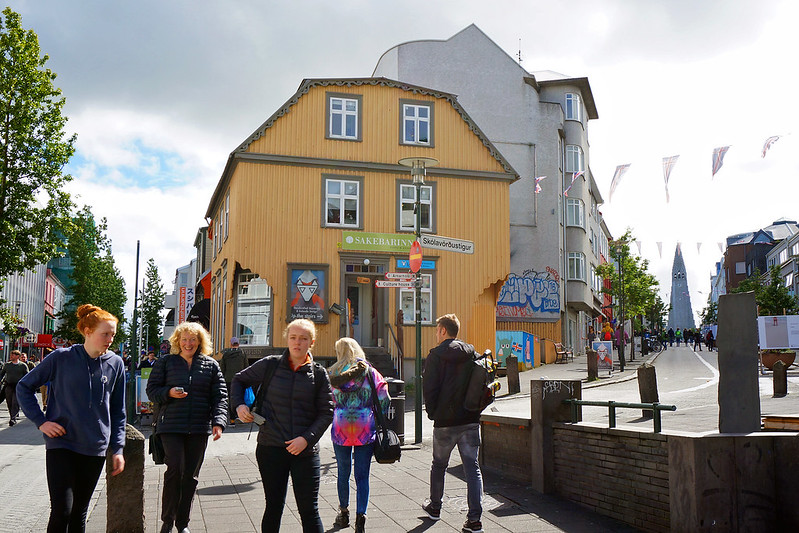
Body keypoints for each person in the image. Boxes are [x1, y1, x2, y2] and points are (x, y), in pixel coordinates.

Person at [16, 304, 126, 532]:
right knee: (62, 511)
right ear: (87, 331)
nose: (110, 339)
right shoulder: (61, 358)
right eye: (105, 334)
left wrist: (117, 449)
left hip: (94, 446)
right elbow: (24, 387)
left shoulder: (116, 363)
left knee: (79, 514)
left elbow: (118, 411)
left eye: (113, 335)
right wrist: (41, 421)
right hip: (62, 444)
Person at [231, 319, 334, 533]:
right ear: (287, 339)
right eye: (293, 337)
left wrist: (306, 439)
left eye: (303, 339)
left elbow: (327, 412)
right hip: (271, 448)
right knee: (274, 506)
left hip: (305, 452)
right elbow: (238, 380)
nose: (297, 343)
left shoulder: (319, 374)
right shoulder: (270, 364)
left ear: (311, 342)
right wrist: (239, 405)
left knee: (309, 510)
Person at [147, 321, 228, 533]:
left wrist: (218, 422)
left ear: (200, 341)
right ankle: (167, 520)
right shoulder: (166, 362)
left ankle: (182, 524)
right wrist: (168, 393)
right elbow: (152, 390)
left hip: (198, 428)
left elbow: (220, 397)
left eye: (192, 339)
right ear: (177, 341)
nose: (188, 343)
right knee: (175, 469)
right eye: (184, 339)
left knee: (190, 477)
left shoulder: (211, 366)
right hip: (171, 426)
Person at [421, 314, 484, 533]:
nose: (436, 333)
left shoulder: (435, 356)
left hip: (445, 422)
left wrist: (432, 413)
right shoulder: (472, 353)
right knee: (472, 468)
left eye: (437, 329)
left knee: (439, 465)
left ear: (443, 331)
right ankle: (475, 519)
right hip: (470, 419)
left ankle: (435, 508)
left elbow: (429, 389)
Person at [328, 337, 389, 533]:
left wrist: (338, 411)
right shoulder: (370, 372)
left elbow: (325, 401)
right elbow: (384, 396)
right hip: (364, 428)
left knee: (343, 473)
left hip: (341, 428)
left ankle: (343, 512)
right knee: (362, 475)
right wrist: (372, 412)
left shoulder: (332, 374)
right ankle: (360, 517)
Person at [220, 336, 247, 423]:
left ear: (231, 344)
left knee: (231, 398)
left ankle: (231, 419)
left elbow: (222, 368)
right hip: (240, 379)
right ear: (238, 344)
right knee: (240, 397)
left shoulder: (226, 355)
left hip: (228, 380)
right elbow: (246, 367)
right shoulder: (242, 354)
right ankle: (239, 416)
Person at [1, 349, 29, 426]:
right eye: (11, 355)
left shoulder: (23, 366)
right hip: (9, 386)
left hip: (18, 386)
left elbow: (27, 376)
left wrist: (26, 385)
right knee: (9, 402)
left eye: (12, 355)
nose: (11, 356)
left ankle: (13, 418)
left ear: (17, 356)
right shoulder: (7, 365)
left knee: (15, 402)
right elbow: (2, 374)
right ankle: (12, 415)